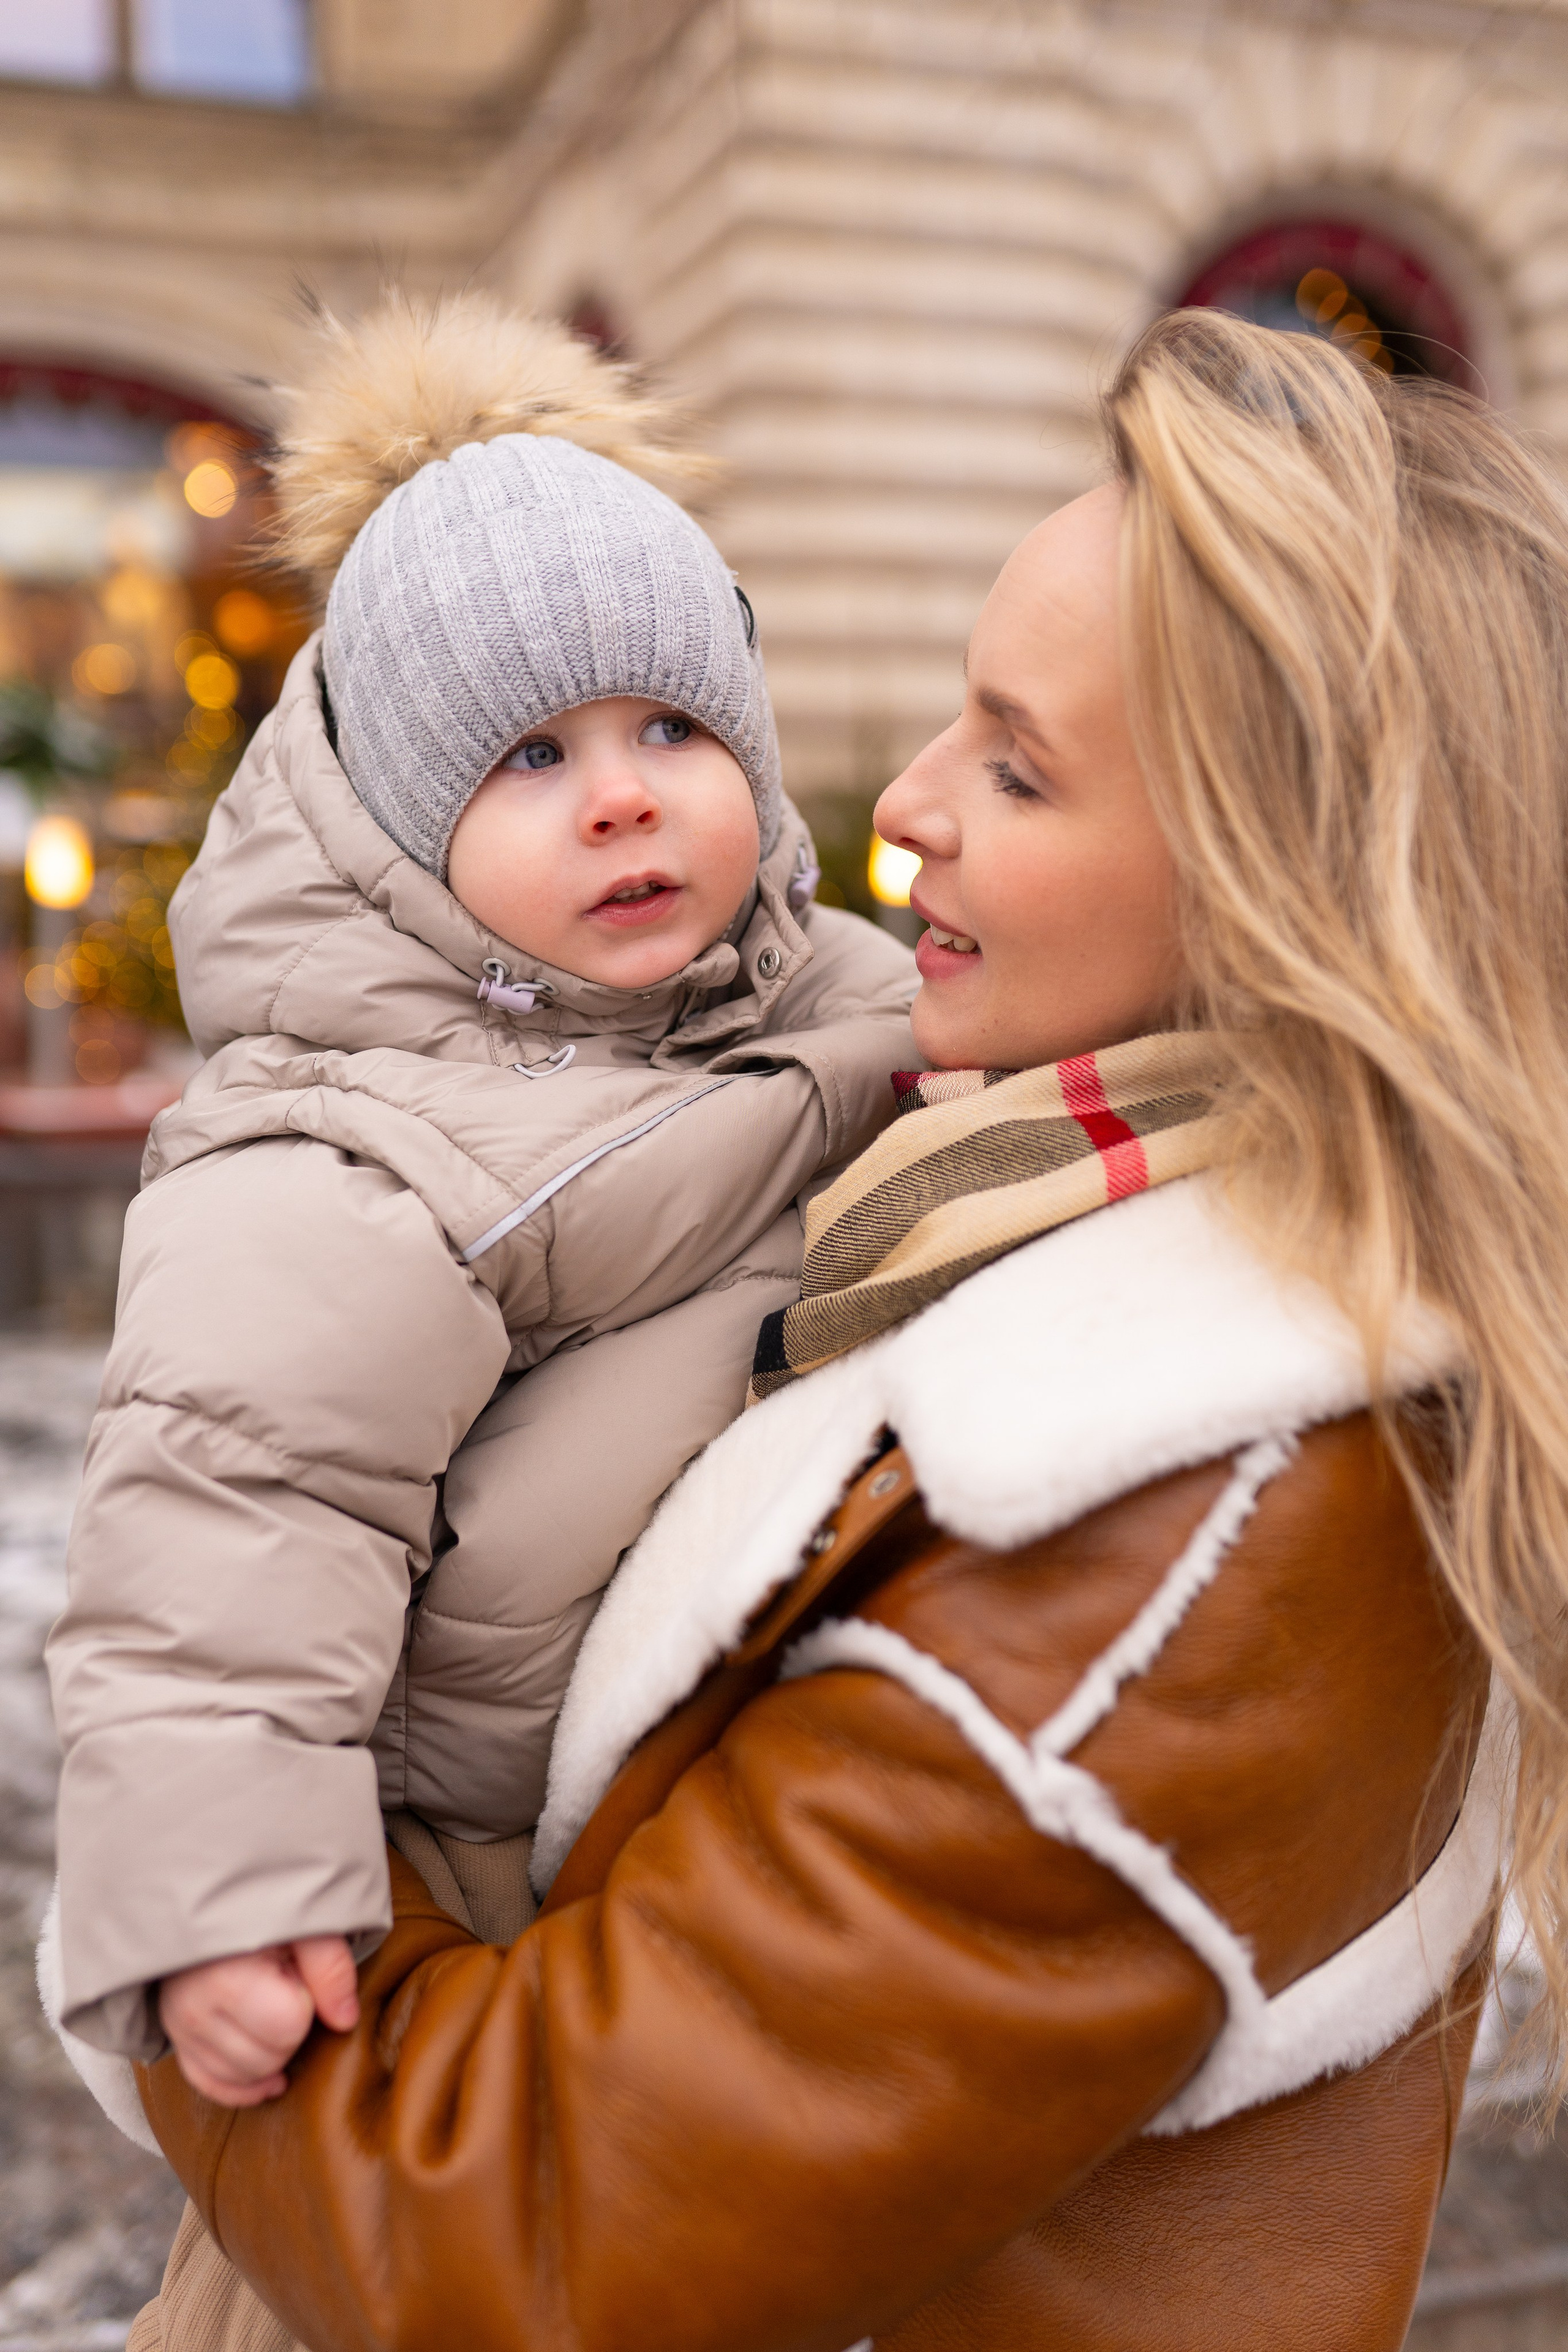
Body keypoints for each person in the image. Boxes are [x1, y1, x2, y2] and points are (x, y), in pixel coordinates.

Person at [116, 305, 1568, 2351]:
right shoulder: (994, 1203)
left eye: (1017, 761)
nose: (904, 801)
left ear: (1276, 889)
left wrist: (211, 1880)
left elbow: (522, 2240)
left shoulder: (1184, 1513)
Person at [42, 292, 917, 2107]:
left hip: (734, 1866)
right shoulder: (346, 1149)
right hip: (451, 1913)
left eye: (673, 728)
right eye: (532, 758)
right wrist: (229, 1897)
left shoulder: (849, 997)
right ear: (395, 825)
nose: (621, 801)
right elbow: (230, 1516)